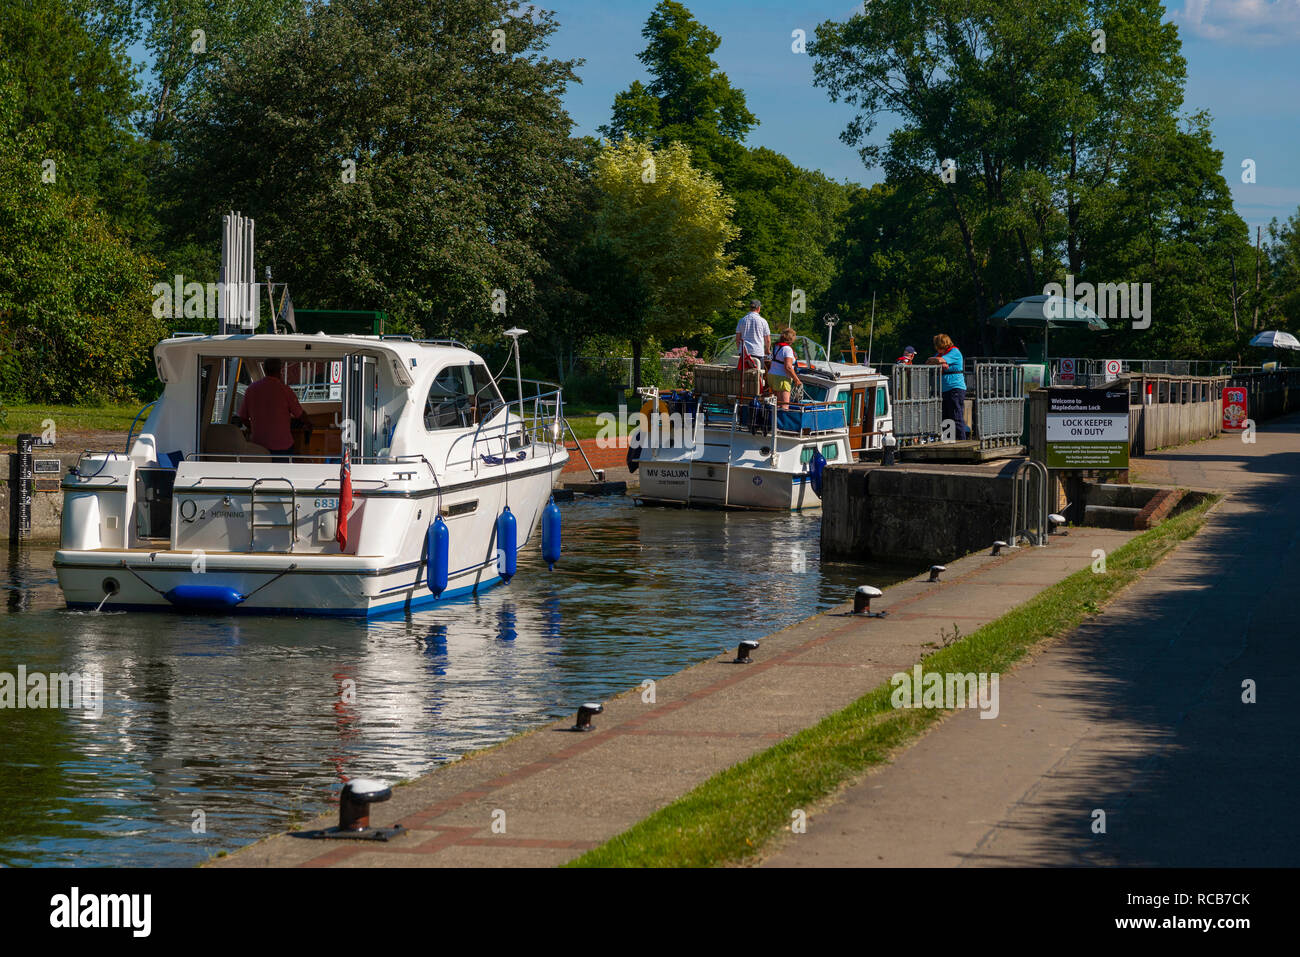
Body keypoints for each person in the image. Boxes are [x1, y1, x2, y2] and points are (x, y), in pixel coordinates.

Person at [235, 357, 310, 461]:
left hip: (258, 445)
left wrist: (255, 429)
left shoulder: (251, 389)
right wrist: (309, 424)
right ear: (280, 370)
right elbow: (301, 415)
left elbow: (243, 417)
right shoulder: (285, 390)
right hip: (282, 446)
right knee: (282, 474)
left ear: (265, 370)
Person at [926, 334, 968, 440]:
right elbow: (929, 362)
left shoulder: (954, 352)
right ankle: (949, 442)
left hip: (955, 388)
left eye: (938, 345)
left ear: (943, 344)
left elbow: (937, 361)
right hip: (944, 390)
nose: (937, 348)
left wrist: (938, 361)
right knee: (945, 417)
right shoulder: (940, 354)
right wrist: (938, 361)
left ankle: (961, 442)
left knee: (956, 416)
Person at [767, 327, 803, 409]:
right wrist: (796, 380)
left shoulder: (776, 347)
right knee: (784, 405)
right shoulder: (787, 349)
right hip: (782, 378)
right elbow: (788, 367)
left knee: (775, 404)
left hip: (772, 376)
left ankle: (774, 420)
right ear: (791, 339)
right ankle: (782, 420)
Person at [735, 300, 770, 370]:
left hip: (744, 352)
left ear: (750, 308)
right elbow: (768, 340)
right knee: (758, 375)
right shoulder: (763, 321)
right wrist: (767, 350)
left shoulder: (742, 320)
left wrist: (740, 349)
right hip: (758, 352)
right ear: (759, 308)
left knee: (744, 375)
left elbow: (737, 339)